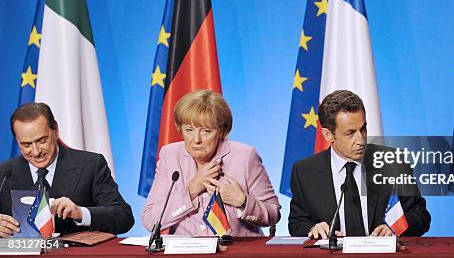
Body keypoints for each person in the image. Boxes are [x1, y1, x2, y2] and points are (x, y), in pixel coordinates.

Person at [289, 90, 430, 239]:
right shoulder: (304, 172)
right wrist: (313, 228)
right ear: (328, 135)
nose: (361, 140)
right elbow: (297, 222)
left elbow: (420, 216)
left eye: (363, 129)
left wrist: (396, 228)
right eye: (350, 133)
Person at [142, 90, 280, 236]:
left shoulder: (245, 156)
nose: (196, 140)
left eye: (206, 131)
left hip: (237, 251)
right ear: (180, 129)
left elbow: (273, 214)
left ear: (222, 131)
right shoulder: (170, 155)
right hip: (186, 253)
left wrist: (242, 201)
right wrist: (192, 189)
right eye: (189, 130)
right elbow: (150, 220)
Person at [0, 102, 134, 237]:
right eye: (26, 144)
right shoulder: (3, 173)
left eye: (41, 140)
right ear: (17, 141)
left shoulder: (91, 165)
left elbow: (124, 217)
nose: (35, 152)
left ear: (56, 130)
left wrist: (81, 213)